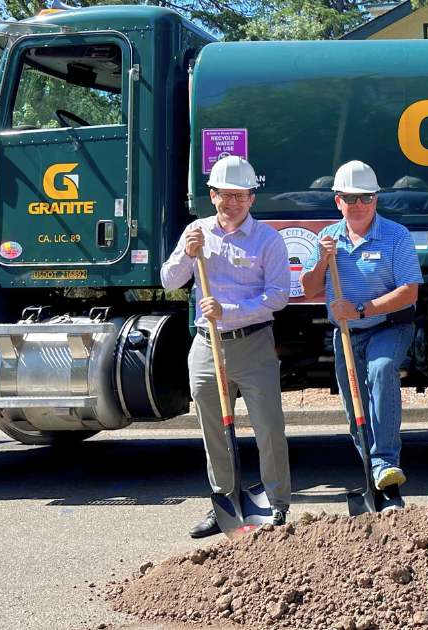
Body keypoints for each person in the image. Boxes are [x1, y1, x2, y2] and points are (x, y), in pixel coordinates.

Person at [161, 155, 291, 538]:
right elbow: (169, 281)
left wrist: (229, 309)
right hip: (206, 346)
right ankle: (224, 505)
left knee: (268, 428)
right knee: (213, 429)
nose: (232, 203)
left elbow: (278, 297)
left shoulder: (268, 239)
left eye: (240, 196)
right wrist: (186, 253)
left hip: (253, 345)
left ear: (252, 198)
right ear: (212, 195)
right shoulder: (197, 233)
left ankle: (277, 504)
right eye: (224, 195)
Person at [299, 161, 423, 510]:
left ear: (376, 199)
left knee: (382, 370)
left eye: (365, 196)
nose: (357, 204)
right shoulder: (328, 238)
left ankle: (386, 464)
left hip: (389, 327)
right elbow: (308, 288)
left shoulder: (396, 235)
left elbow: (410, 291)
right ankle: (373, 474)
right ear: (337, 200)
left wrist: (361, 309)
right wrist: (322, 262)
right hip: (346, 334)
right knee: (354, 403)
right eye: (349, 197)